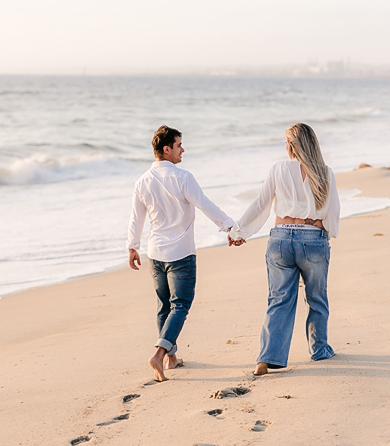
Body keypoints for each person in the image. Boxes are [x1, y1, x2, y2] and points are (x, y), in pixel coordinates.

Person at [127, 125, 236, 382]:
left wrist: (132, 246)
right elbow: (205, 204)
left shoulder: (142, 181)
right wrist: (230, 227)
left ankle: (171, 359)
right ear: (166, 150)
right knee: (181, 305)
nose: (182, 150)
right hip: (182, 254)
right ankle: (160, 353)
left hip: (155, 253)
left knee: (164, 305)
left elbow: (136, 219)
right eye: (178, 146)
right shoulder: (183, 178)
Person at [229, 123, 340, 376]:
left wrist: (239, 232)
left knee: (279, 300)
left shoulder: (278, 169)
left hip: (279, 240)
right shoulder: (325, 172)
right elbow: (332, 213)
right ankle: (319, 350)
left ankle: (267, 358)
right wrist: (324, 231)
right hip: (313, 239)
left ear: (291, 146)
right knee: (316, 298)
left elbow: (261, 205)